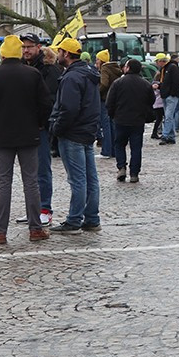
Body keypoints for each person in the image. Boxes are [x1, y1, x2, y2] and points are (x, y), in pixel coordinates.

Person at [0, 35, 53, 243]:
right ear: (19, 52)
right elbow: (46, 103)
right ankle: (35, 228)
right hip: (29, 132)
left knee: (3, 182)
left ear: (2, 53)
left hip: (3, 133)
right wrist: (39, 122)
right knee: (31, 181)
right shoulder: (33, 74)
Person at [48, 38, 102, 233]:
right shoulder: (89, 73)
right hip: (87, 131)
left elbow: (69, 108)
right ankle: (92, 218)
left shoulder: (72, 77)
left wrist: (57, 128)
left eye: (60, 52)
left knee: (78, 179)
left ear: (67, 54)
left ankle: (74, 220)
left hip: (73, 133)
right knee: (90, 178)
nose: (58, 55)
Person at [20, 34, 62, 225]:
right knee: (28, 171)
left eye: (29, 47)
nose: (26, 50)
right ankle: (32, 208)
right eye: (23, 47)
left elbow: (51, 100)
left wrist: (42, 121)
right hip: (24, 125)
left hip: (40, 127)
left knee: (42, 169)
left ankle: (45, 208)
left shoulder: (49, 69)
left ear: (38, 47)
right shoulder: (22, 67)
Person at [106, 58, 155, 183]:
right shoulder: (145, 84)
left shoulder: (118, 83)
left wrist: (112, 114)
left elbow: (109, 102)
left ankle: (121, 167)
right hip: (138, 120)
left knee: (119, 144)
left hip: (121, 119)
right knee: (136, 147)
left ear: (128, 68)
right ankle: (134, 173)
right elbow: (152, 101)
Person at [96, 49, 122, 159]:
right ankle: (113, 151)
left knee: (106, 125)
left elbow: (104, 83)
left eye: (97, 59)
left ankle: (106, 151)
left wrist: (97, 91)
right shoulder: (115, 68)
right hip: (113, 100)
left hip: (105, 99)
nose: (96, 61)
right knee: (112, 125)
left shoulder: (105, 68)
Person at [156, 52, 179, 145]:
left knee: (168, 116)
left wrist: (171, 93)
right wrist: (159, 86)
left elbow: (177, 82)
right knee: (169, 116)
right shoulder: (165, 69)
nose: (156, 63)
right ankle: (171, 137)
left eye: (157, 61)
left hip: (170, 96)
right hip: (166, 95)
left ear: (161, 61)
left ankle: (165, 135)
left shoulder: (171, 68)